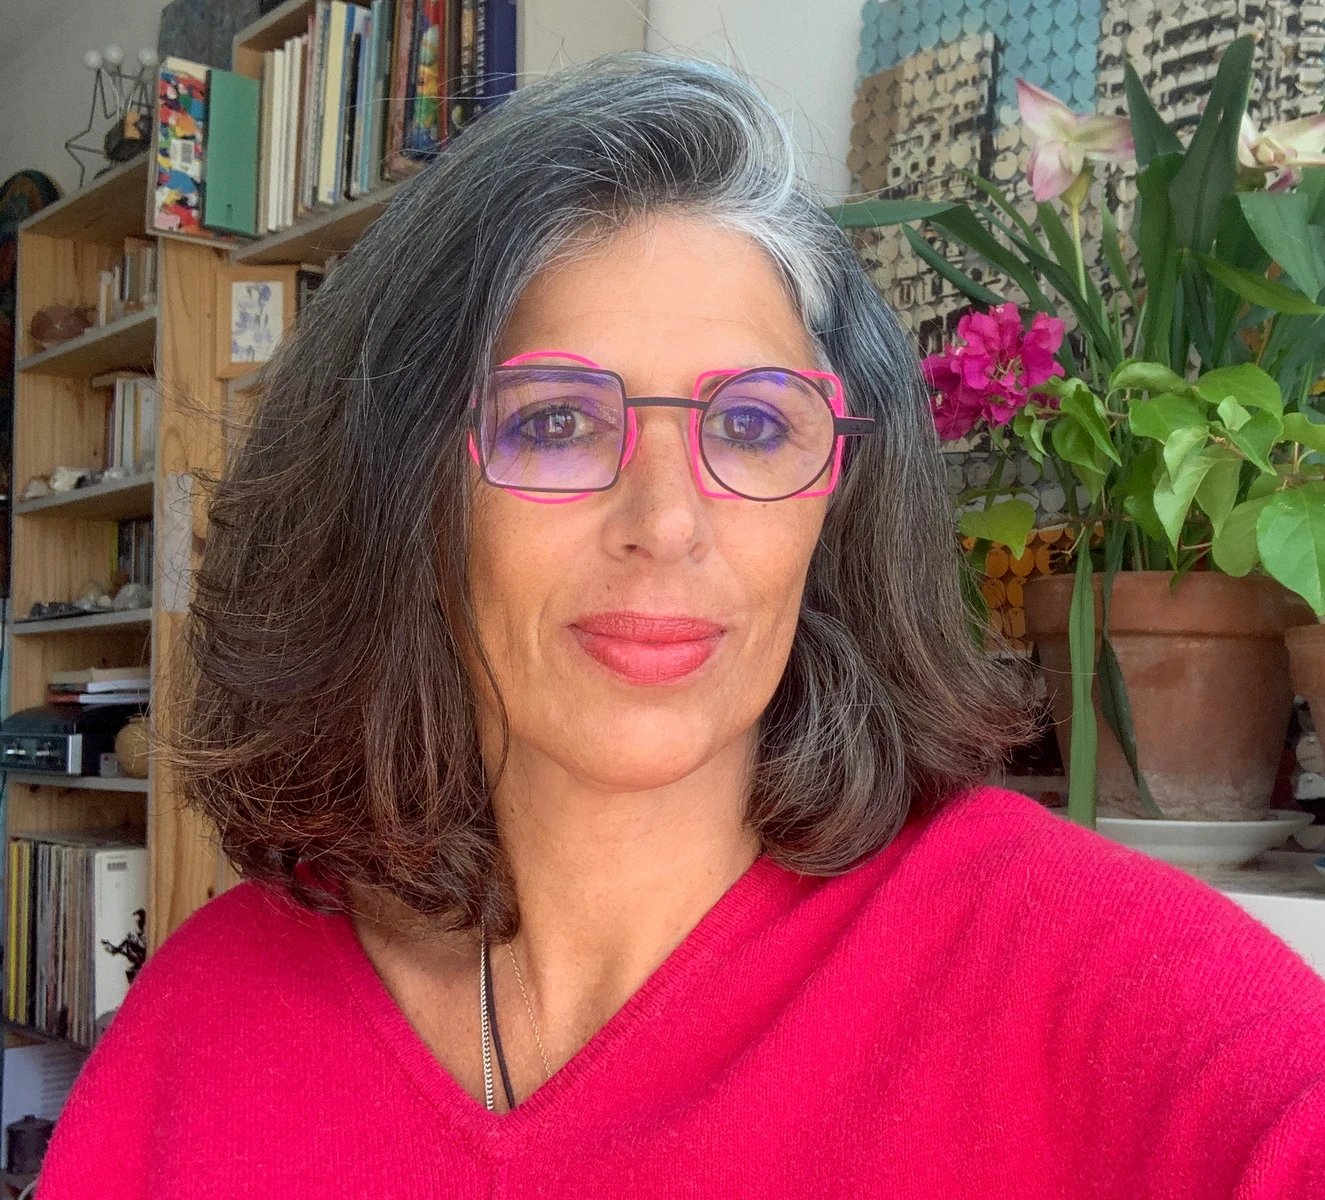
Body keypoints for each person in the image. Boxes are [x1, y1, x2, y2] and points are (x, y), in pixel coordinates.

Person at [36, 54, 1325, 1199]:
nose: (667, 521)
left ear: (839, 496)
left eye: (753, 424)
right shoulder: (209, 1017)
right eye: (556, 420)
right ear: (398, 487)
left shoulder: (1127, 997)